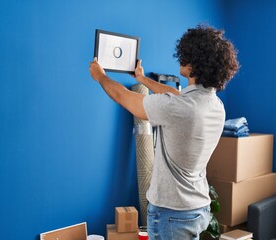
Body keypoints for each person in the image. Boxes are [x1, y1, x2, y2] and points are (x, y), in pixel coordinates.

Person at [90, 24, 239, 240]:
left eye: (185, 55)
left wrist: (100, 76)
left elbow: (124, 98)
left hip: (172, 213)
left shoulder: (180, 108)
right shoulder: (215, 105)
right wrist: (142, 79)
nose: (181, 58)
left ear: (194, 63)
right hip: (198, 208)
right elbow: (176, 96)